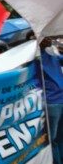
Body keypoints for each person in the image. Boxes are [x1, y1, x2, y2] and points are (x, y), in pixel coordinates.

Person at [37, 35, 63, 164]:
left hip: (57, 101)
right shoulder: (37, 56)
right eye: (45, 38)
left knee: (57, 139)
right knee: (53, 140)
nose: (49, 40)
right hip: (52, 101)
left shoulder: (52, 53)